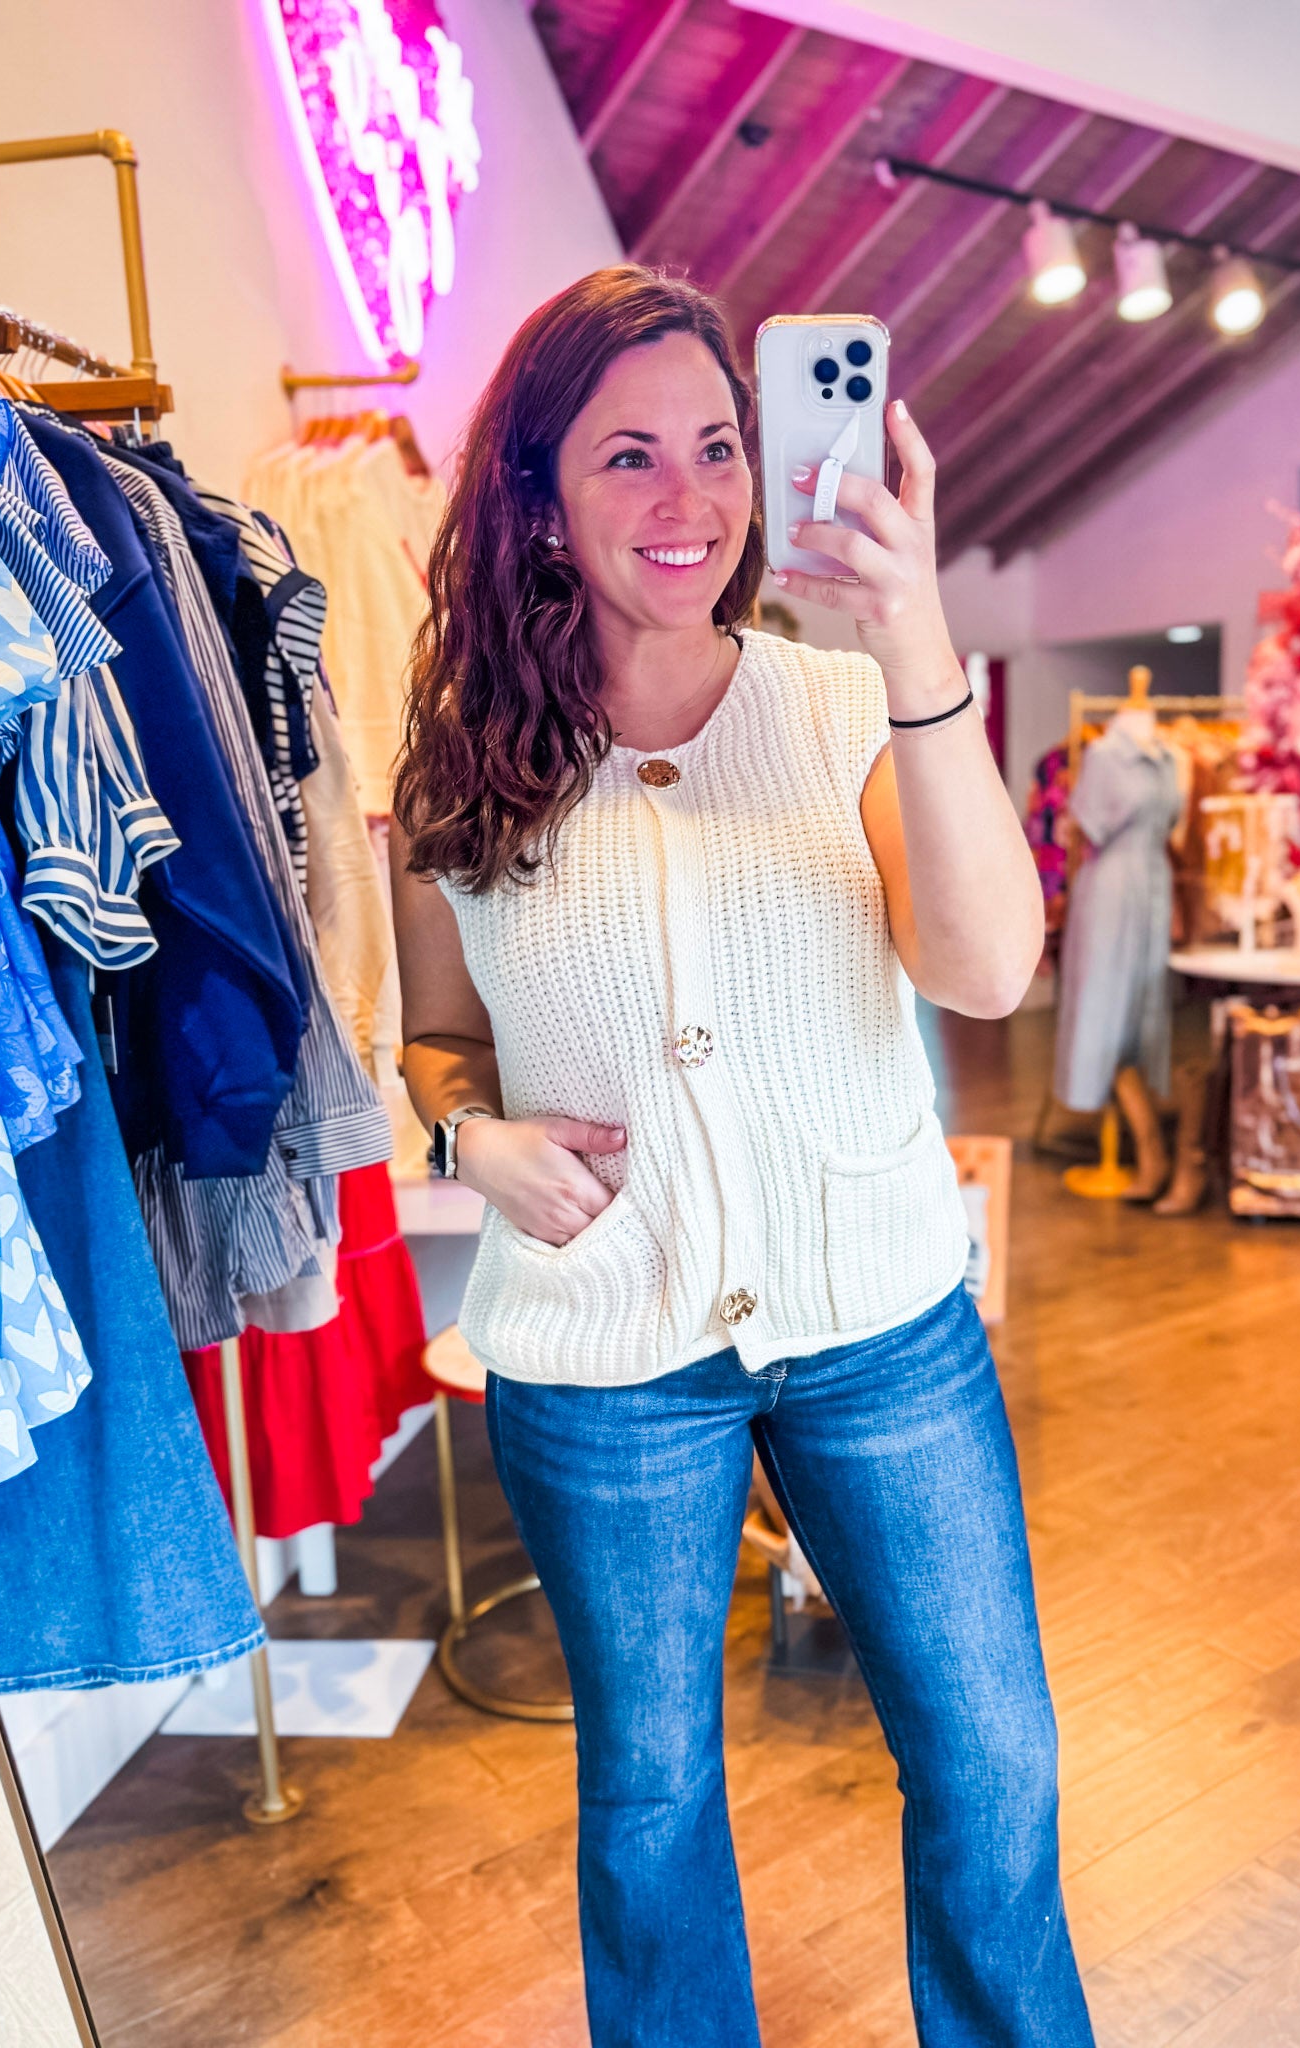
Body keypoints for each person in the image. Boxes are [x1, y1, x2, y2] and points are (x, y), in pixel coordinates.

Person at [390, 266, 1093, 2048]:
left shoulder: (846, 709)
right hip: (608, 1350)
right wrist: (474, 1133)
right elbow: (435, 1043)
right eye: (628, 455)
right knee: (646, 1800)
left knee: (993, 1757)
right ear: (536, 494)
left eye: (717, 444)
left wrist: (917, 638)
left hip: (878, 1323)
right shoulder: (464, 767)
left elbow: (987, 969)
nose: (689, 498)